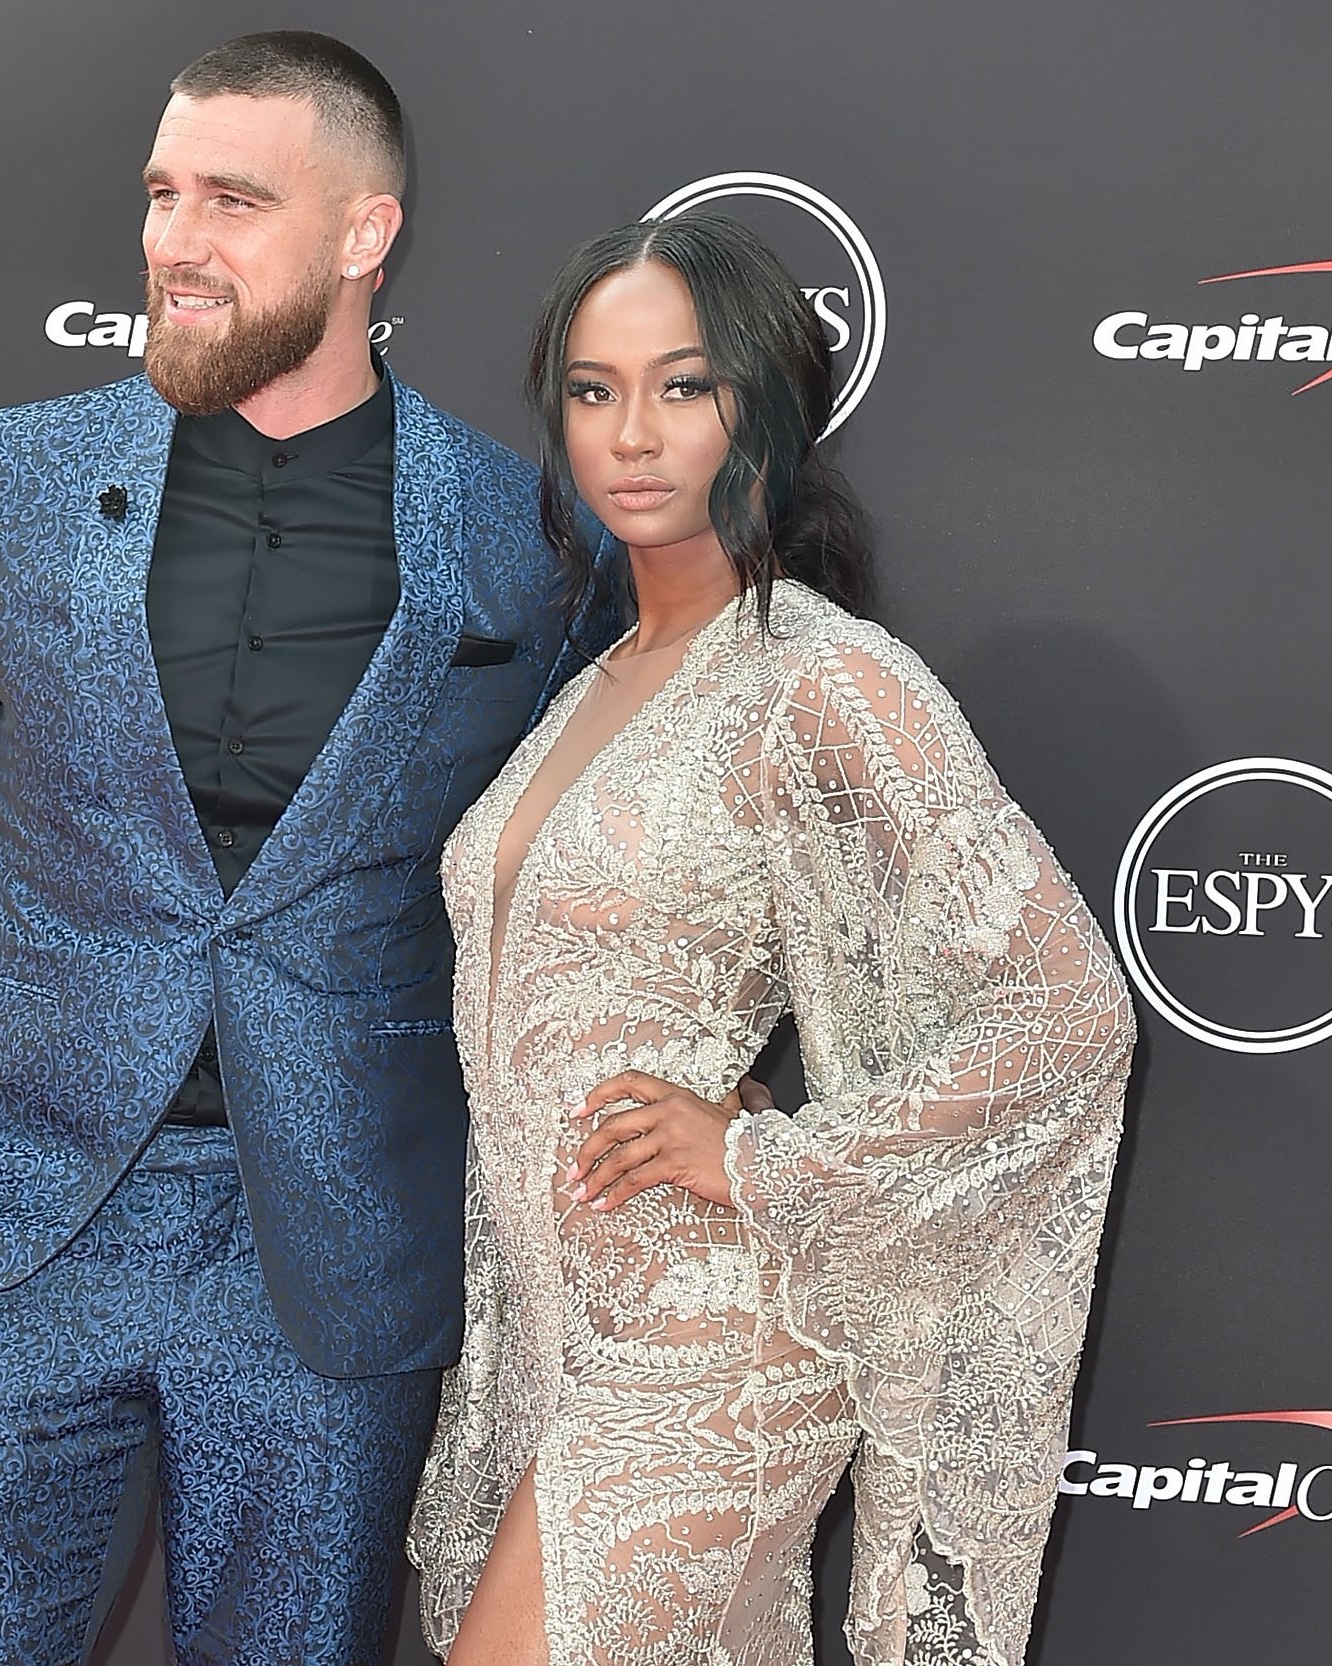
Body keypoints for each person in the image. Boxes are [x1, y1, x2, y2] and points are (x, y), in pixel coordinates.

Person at [0, 31, 625, 1666]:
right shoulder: (10, 479)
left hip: (321, 1261)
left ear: (361, 237)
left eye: (234, 200)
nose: (175, 239)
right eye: (162, 192)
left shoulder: (522, 535)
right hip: (9, 1227)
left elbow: (582, 886)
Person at [408, 214, 1135, 1666]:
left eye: (684, 387)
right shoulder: (591, 677)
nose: (631, 433)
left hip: (718, 1335)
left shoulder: (827, 678)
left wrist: (763, 1152)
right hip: (567, 1333)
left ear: (766, 406)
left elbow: (1068, 1011)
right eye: (593, 389)